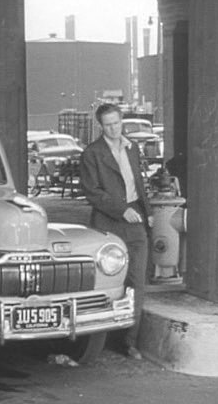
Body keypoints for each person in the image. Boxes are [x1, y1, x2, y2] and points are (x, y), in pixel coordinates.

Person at [79, 103, 151, 360]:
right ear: (101, 126)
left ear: (122, 121)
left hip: (135, 219)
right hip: (108, 222)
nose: (113, 129)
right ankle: (101, 338)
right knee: (106, 283)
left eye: (117, 123)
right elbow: (92, 192)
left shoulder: (132, 148)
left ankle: (129, 342)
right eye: (108, 125)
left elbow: (138, 183)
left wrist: (147, 213)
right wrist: (121, 210)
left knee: (136, 282)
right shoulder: (92, 154)